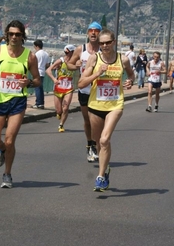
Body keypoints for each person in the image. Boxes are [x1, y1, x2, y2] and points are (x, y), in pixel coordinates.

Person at [0, 20, 40, 188]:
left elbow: (37, 80)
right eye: (11, 34)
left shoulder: (30, 56)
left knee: (10, 140)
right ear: (7, 35)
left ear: (23, 36)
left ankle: (7, 174)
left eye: (18, 34)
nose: (14, 37)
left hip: (17, 102)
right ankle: (1, 150)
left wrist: (28, 82)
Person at [78, 29, 135, 191]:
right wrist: (97, 73)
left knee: (104, 140)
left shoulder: (122, 59)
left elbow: (131, 75)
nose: (104, 46)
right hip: (95, 105)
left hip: (115, 105)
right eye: (101, 43)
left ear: (114, 42)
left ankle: (101, 176)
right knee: (98, 142)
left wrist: (130, 82)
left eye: (107, 43)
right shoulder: (93, 59)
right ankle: (106, 167)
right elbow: (81, 84)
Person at [66, 21, 102, 162]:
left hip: (98, 92)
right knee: (87, 121)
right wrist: (75, 66)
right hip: (85, 90)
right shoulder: (81, 50)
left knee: (97, 122)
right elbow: (69, 64)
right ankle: (90, 145)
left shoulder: (103, 50)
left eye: (96, 31)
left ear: (100, 33)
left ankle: (96, 144)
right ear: (87, 33)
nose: (93, 33)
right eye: (91, 30)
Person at [45, 44, 76, 132]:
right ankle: (59, 113)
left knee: (65, 107)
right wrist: (54, 79)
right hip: (58, 87)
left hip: (69, 87)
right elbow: (48, 70)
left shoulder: (75, 61)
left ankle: (61, 125)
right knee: (59, 110)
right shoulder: (60, 61)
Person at [32, 39, 50, 109]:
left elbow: (34, 63)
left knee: (37, 88)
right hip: (42, 72)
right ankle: (41, 103)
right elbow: (47, 65)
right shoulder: (46, 54)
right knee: (40, 88)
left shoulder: (36, 54)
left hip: (37, 72)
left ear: (36, 46)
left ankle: (38, 103)